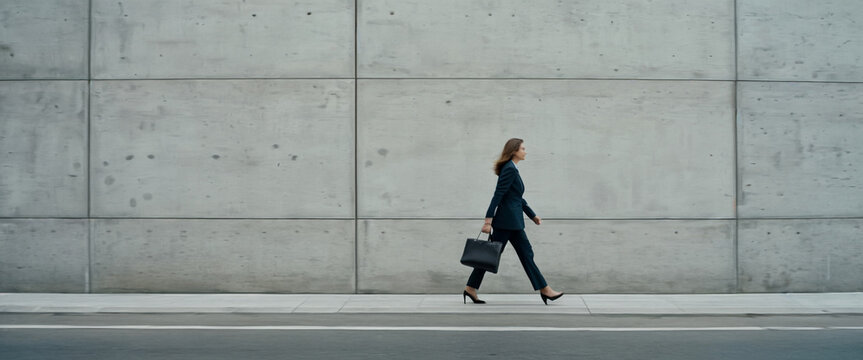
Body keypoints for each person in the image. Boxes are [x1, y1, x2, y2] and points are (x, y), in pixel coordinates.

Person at [464, 138, 564, 305]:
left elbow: (516, 197)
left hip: (512, 222)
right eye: (523, 148)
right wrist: (488, 220)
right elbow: (498, 195)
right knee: (509, 255)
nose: (525, 151)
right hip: (506, 222)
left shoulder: (512, 169)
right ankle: (545, 289)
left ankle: (470, 288)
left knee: (495, 256)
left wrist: (532, 215)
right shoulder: (510, 169)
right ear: (514, 151)